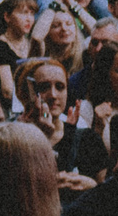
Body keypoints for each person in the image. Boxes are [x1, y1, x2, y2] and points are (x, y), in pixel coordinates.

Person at [13, 57, 107, 186]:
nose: (53, 95)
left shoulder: (86, 139)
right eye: (44, 87)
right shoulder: (12, 139)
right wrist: (41, 137)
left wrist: (91, 185)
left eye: (60, 87)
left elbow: (106, 191)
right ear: (27, 92)